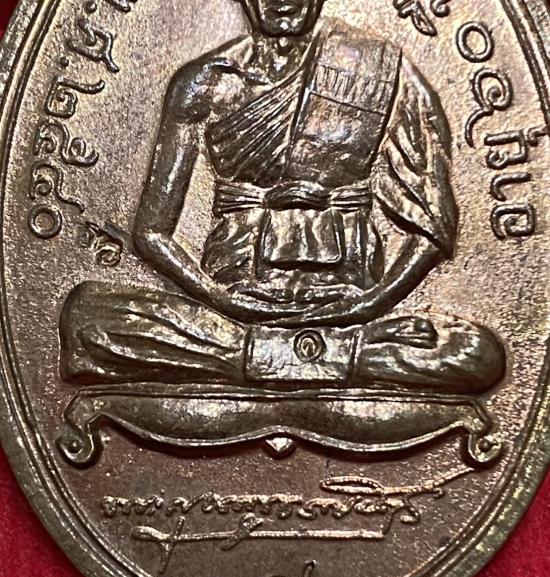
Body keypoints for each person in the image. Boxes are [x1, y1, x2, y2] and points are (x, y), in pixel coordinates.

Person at [60, 0, 505, 394]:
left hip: (349, 301)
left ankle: (256, 359)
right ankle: (322, 359)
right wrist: (219, 299)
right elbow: (152, 233)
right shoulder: (203, 83)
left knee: (476, 353)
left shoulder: (382, 69)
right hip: (237, 301)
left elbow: (433, 224)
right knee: (88, 317)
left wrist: (371, 304)